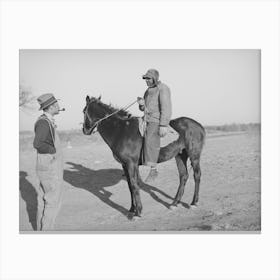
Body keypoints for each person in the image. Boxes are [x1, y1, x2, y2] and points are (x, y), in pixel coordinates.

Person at [33, 93, 64, 231]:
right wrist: (52, 151)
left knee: (44, 199)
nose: (58, 106)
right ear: (51, 107)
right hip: (50, 165)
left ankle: (41, 231)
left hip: (46, 165)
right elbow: (38, 144)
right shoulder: (44, 122)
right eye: (56, 104)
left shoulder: (46, 121)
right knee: (52, 202)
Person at [138, 69, 172, 183]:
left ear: (154, 78)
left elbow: (166, 107)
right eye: (145, 78)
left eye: (148, 78)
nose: (146, 80)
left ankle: (153, 169)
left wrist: (163, 125)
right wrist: (142, 105)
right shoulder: (147, 91)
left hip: (156, 120)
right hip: (146, 119)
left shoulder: (163, 89)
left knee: (149, 139)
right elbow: (144, 109)